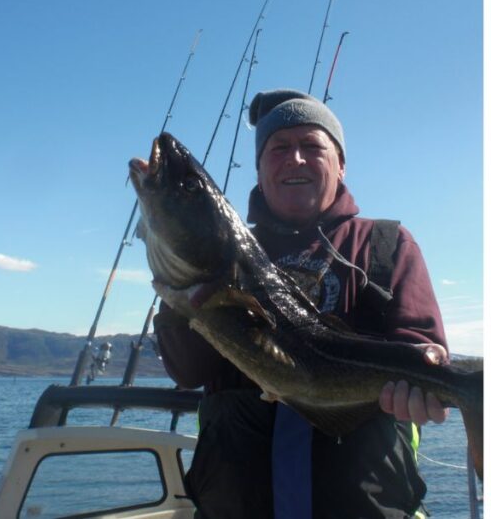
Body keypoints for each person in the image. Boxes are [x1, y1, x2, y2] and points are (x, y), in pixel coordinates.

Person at [153, 89, 448, 518]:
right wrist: (181, 296)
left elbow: (419, 342)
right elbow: (187, 372)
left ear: (340, 163)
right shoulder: (224, 250)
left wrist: (424, 375)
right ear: (259, 167)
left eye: (313, 146)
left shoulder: (385, 245)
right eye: (279, 148)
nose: (295, 159)